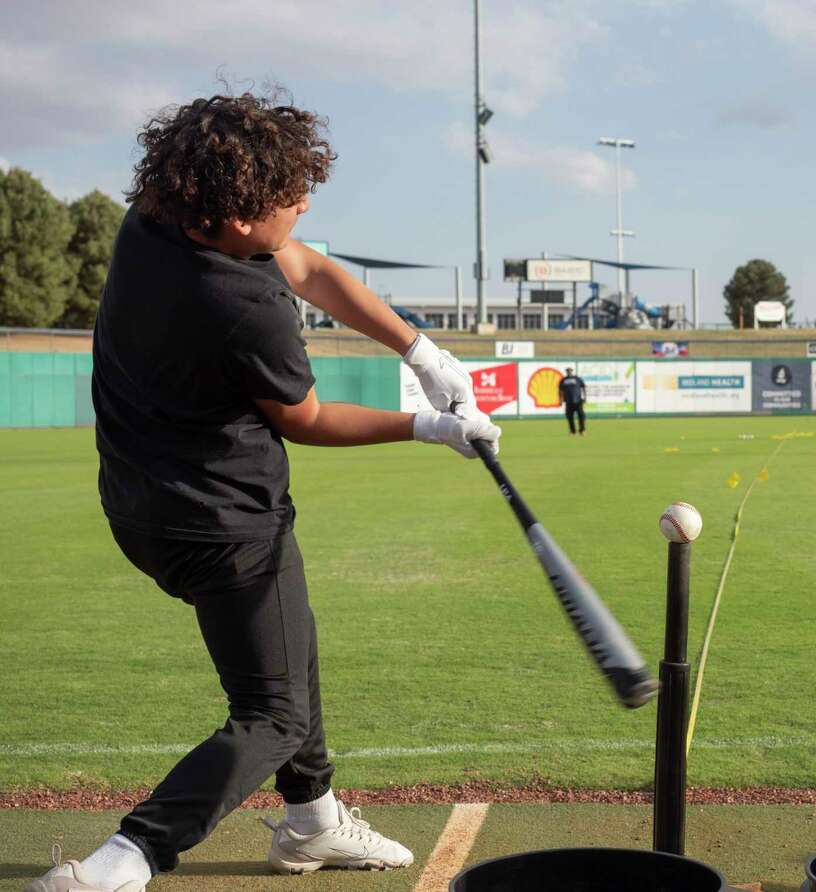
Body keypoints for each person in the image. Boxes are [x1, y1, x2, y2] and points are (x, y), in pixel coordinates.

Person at [25, 89, 500, 892]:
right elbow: (305, 417)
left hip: (141, 510)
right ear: (241, 219)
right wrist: (429, 428)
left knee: (292, 651)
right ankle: (125, 858)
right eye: (291, 197)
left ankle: (311, 823)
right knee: (272, 714)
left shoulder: (152, 223)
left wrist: (420, 349)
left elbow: (306, 264)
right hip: (228, 525)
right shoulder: (241, 304)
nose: (304, 203)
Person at [559, 367, 587, 436]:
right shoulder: (563, 380)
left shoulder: (577, 379)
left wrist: (585, 397)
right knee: (569, 417)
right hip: (568, 402)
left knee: (581, 416)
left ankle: (582, 430)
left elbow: (583, 387)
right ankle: (572, 431)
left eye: (570, 371)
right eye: (568, 371)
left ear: (572, 371)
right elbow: (560, 391)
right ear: (566, 372)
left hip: (578, 401)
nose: (569, 372)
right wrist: (561, 399)